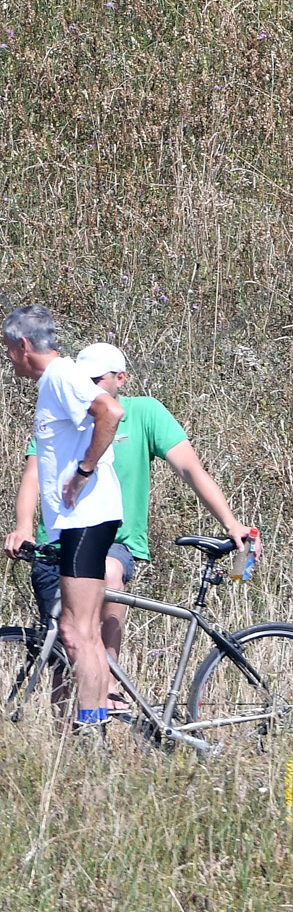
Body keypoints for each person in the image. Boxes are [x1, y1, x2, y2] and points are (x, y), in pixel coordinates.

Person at [7, 343, 258, 685]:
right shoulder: (63, 406)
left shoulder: (144, 413)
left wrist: (231, 523)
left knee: (109, 572)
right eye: (85, 380)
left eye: (97, 379)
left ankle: (111, 677)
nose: (89, 387)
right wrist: (22, 528)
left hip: (112, 541)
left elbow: (190, 469)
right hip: (58, 542)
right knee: (65, 657)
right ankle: (78, 735)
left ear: (120, 378)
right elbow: (32, 475)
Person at [1, 307, 124, 732]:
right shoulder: (56, 380)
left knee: (77, 632)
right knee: (78, 630)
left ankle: (92, 729)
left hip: (88, 517)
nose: (9, 361)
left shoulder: (59, 376)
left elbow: (110, 411)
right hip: (80, 521)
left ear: (23, 346)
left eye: (8, 351)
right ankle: (93, 726)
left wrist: (85, 471)